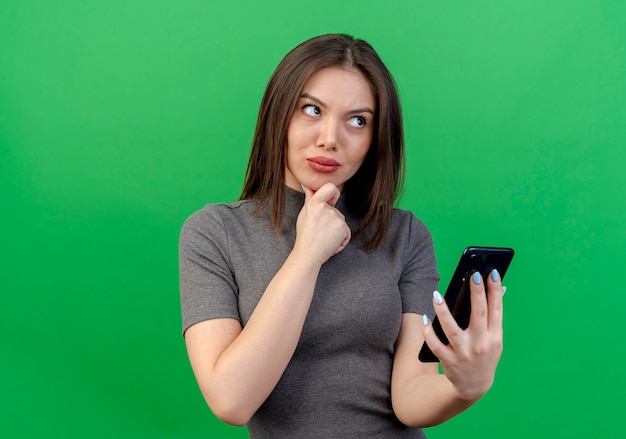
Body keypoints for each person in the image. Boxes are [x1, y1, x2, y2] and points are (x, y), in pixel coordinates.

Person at [179, 33, 505, 438]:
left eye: (358, 120)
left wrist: (465, 387)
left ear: (375, 139)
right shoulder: (215, 234)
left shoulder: (403, 235)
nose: (330, 139)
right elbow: (231, 399)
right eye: (311, 109)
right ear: (277, 114)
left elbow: (410, 396)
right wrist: (306, 255)